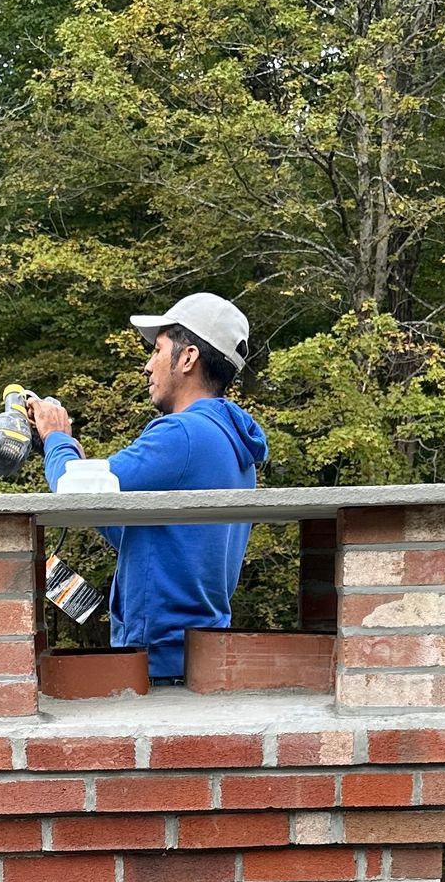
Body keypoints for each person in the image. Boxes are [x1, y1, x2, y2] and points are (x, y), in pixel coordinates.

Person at [31, 291, 268, 682]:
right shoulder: (228, 441)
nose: (147, 365)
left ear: (188, 357)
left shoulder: (183, 434)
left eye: (157, 350)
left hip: (158, 659)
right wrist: (89, 481)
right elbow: (156, 542)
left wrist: (56, 439)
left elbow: (71, 489)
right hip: (192, 656)